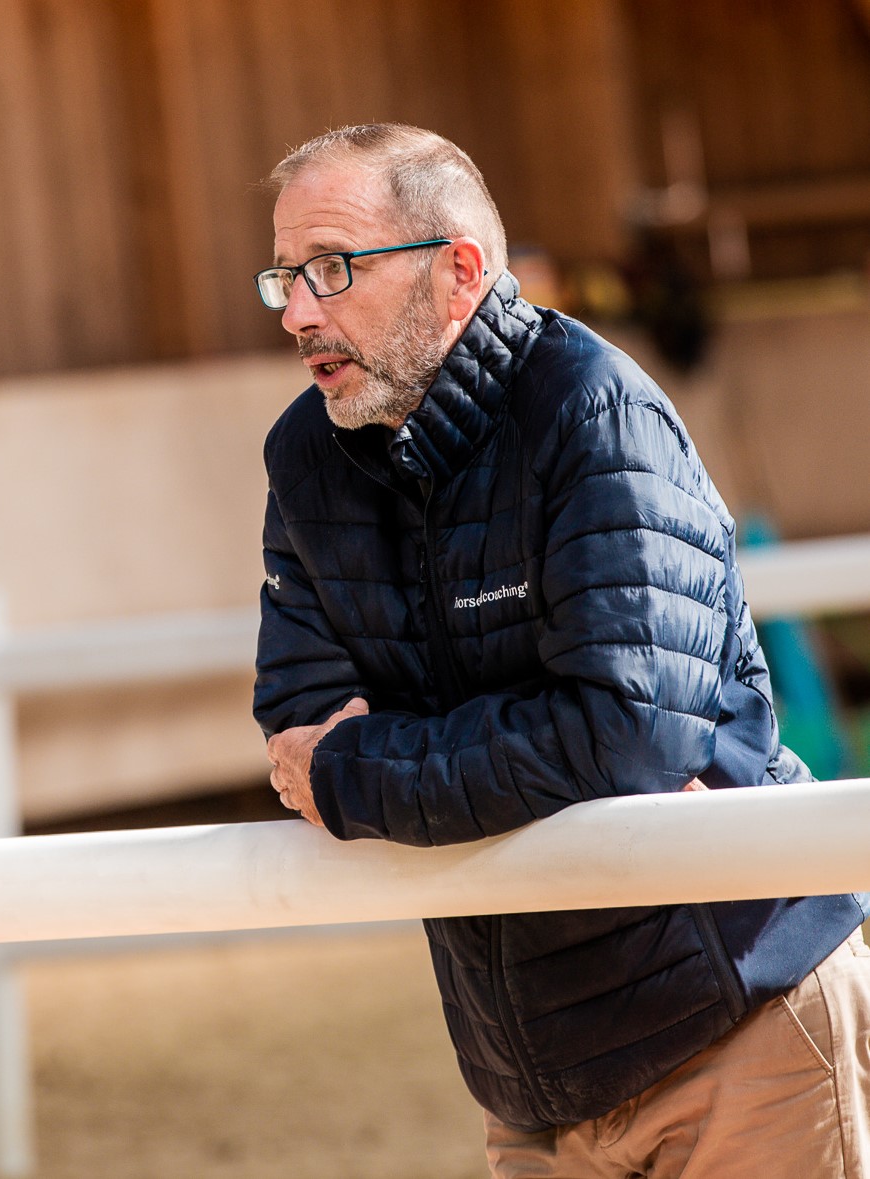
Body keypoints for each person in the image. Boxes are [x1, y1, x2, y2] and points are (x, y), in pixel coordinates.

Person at [251, 123, 870, 1178]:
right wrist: (472, 758)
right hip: (523, 1076)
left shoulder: (594, 411)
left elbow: (618, 736)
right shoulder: (305, 456)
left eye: (332, 269)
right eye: (283, 277)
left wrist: (364, 769)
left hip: (737, 1026)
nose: (299, 311)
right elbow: (296, 721)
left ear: (456, 273)